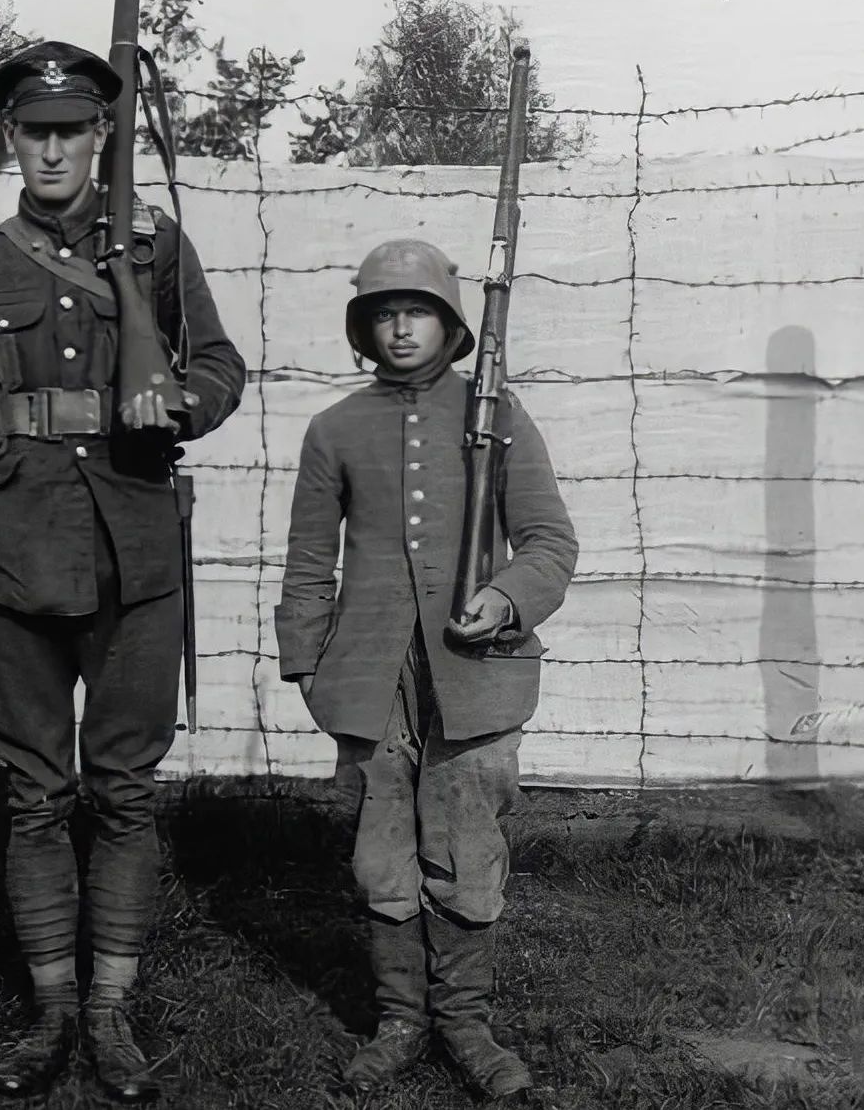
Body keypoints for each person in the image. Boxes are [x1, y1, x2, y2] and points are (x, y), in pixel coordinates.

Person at [0, 40, 247, 1101]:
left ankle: (111, 1012)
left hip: (132, 557)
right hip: (11, 563)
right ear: (10, 137)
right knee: (31, 797)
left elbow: (217, 362)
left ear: (102, 135)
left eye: (72, 129)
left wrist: (183, 404)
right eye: (35, 130)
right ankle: (51, 1010)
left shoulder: (153, 246)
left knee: (122, 793)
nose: (54, 147)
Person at [275, 239, 577, 1103]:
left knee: (467, 842)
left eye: (417, 312)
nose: (400, 327)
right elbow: (307, 564)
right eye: (383, 312)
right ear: (363, 329)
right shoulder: (334, 430)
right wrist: (309, 664)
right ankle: (400, 1020)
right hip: (369, 678)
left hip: (475, 673)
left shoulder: (499, 417)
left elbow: (551, 543)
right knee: (382, 852)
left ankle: (466, 1023)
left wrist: (507, 598)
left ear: (451, 326)